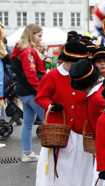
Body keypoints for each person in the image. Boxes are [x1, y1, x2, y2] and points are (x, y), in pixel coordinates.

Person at [35, 41, 93, 186]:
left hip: (81, 131)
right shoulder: (53, 76)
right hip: (59, 131)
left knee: (80, 169)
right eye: (71, 62)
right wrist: (50, 105)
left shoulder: (85, 77)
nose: (74, 66)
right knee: (61, 169)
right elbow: (41, 97)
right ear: (65, 60)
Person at [10, 24, 46, 162]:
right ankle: (51, 154)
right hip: (32, 92)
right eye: (39, 35)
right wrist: (41, 91)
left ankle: (27, 153)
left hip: (24, 92)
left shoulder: (21, 49)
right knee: (49, 121)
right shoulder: (28, 52)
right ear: (32, 34)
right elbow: (31, 74)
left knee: (28, 123)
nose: (40, 38)